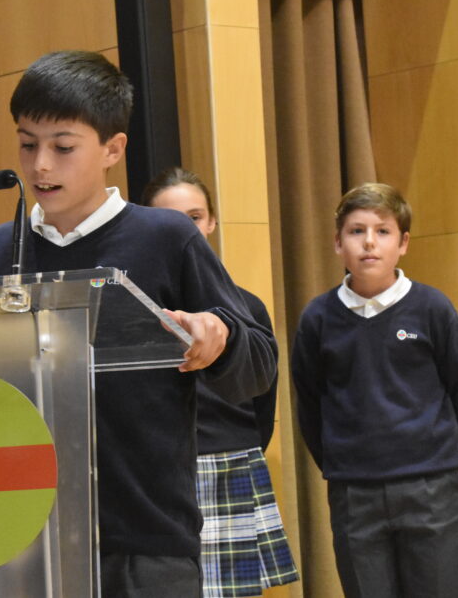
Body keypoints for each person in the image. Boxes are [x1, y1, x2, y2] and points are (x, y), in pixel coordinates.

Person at [0, 50, 277, 597]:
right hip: (18, 535)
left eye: (63, 147)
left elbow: (258, 367)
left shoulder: (166, 238)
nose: (39, 165)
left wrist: (219, 339)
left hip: (145, 539)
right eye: (27, 143)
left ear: (113, 148)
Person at [290, 182, 458, 598]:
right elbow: (309, 404)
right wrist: (344, 461)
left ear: (403, 244)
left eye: (383, 231)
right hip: (353, 492)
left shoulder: (432, 308)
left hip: (431, 489)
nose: (369, 243)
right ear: (337, 243)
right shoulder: (318, 318)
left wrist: (433, 453)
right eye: (356, 231)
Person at [141, 168, 299, 597]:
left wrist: (236, 449)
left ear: (211, 222)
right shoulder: (134, 310)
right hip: (154, 476)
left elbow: (262, 398)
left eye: (194, 217)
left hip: (229, 462)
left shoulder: (245, 305)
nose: (184, 229)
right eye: (170, 220)